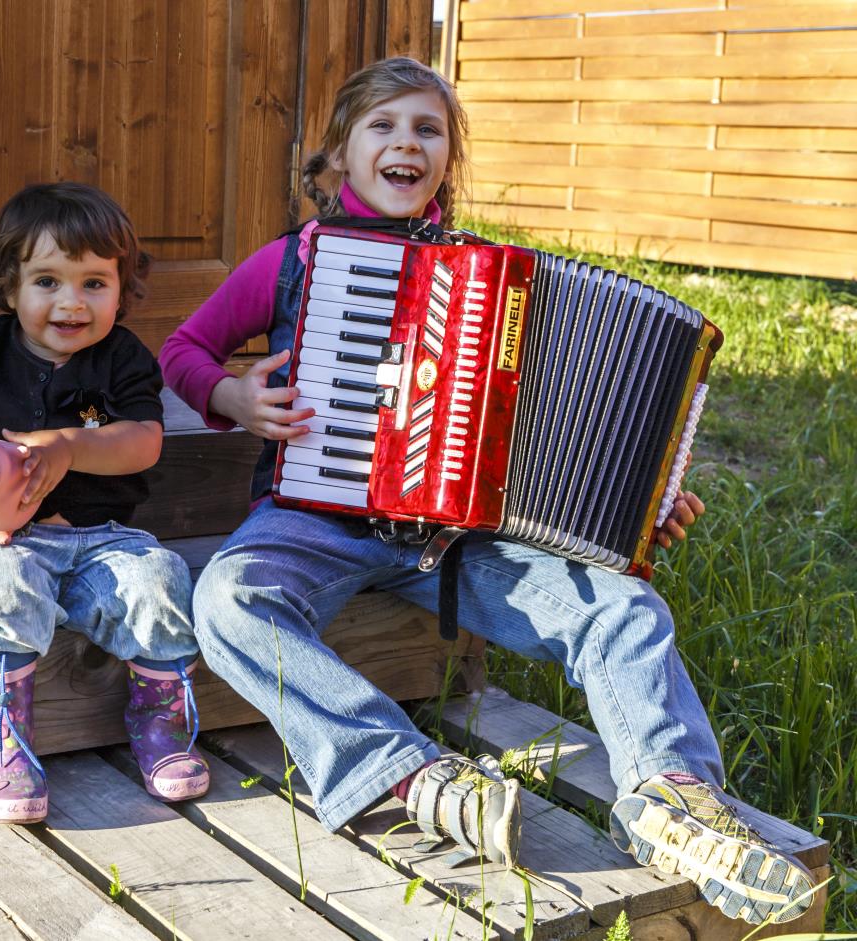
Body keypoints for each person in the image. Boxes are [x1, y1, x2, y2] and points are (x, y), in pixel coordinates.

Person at [160, 58, 814, 924]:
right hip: (314, 518)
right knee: (229, 597)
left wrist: (637, 495)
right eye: (383, 127)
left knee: (622, 606)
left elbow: (574, 429)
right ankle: (402, 771)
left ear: (447, 161)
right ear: (337, 158)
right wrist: (234, 396)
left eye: (428, 130)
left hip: (455, 543)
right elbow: (183, 351)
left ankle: (672, 797)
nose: (406, 143)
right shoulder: (290, 263)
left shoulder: (499, 280)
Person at [0, 182, 208, 823]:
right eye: (48, 281)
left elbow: (144, 442)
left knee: (161, 580)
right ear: (10, 285)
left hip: (105, 537)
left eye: (94, 283)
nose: (71, 302)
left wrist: (70, 446)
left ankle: (161, 729)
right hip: (8, 539)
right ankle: (5, 749)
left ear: (123, 287)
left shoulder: (123, 357)